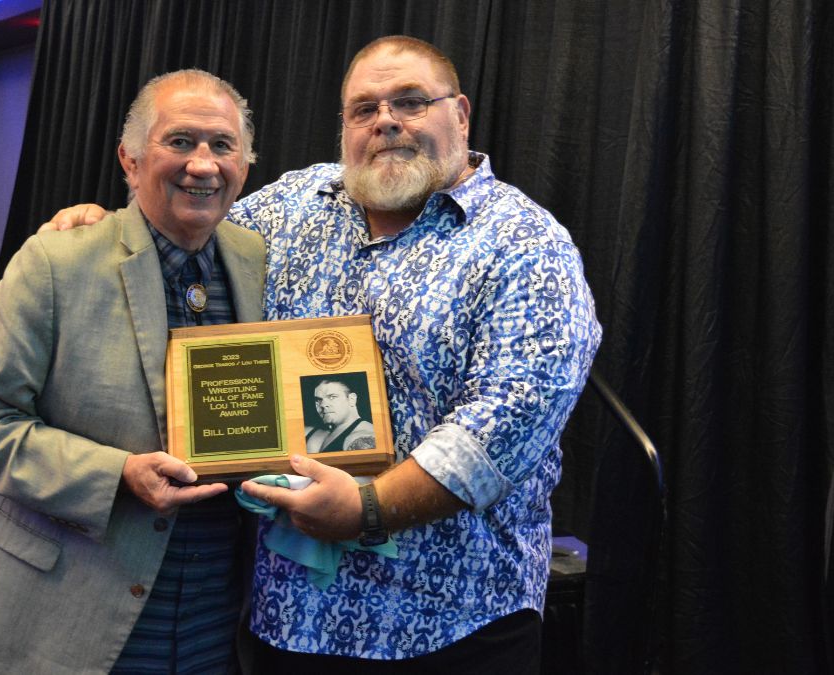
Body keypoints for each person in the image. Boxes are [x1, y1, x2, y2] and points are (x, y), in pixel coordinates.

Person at [44, 36, 601, 674]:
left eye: (411, 102)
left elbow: (504, 427)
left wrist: (369, 510)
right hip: (285, 619)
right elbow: (184, 236)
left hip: (449, 625)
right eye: (364, 109)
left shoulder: (526, 244)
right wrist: (108, 229)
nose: (386, 120)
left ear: (462, 114)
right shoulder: (294, 205)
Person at [0, 69, 265, 674]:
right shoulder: (58, 260)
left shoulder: (261, 262)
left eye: (222, 145)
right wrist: (118, 476)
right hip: (58, 622)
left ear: (245, 164)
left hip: (213, 626)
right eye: (180, 141)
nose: (203, 164)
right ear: (131, 160)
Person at [304, 378, 375, 453]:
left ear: (351, 399)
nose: (323, 405)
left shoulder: (362, 438)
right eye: (319, 400)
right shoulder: (314, 432)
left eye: (332, 397)